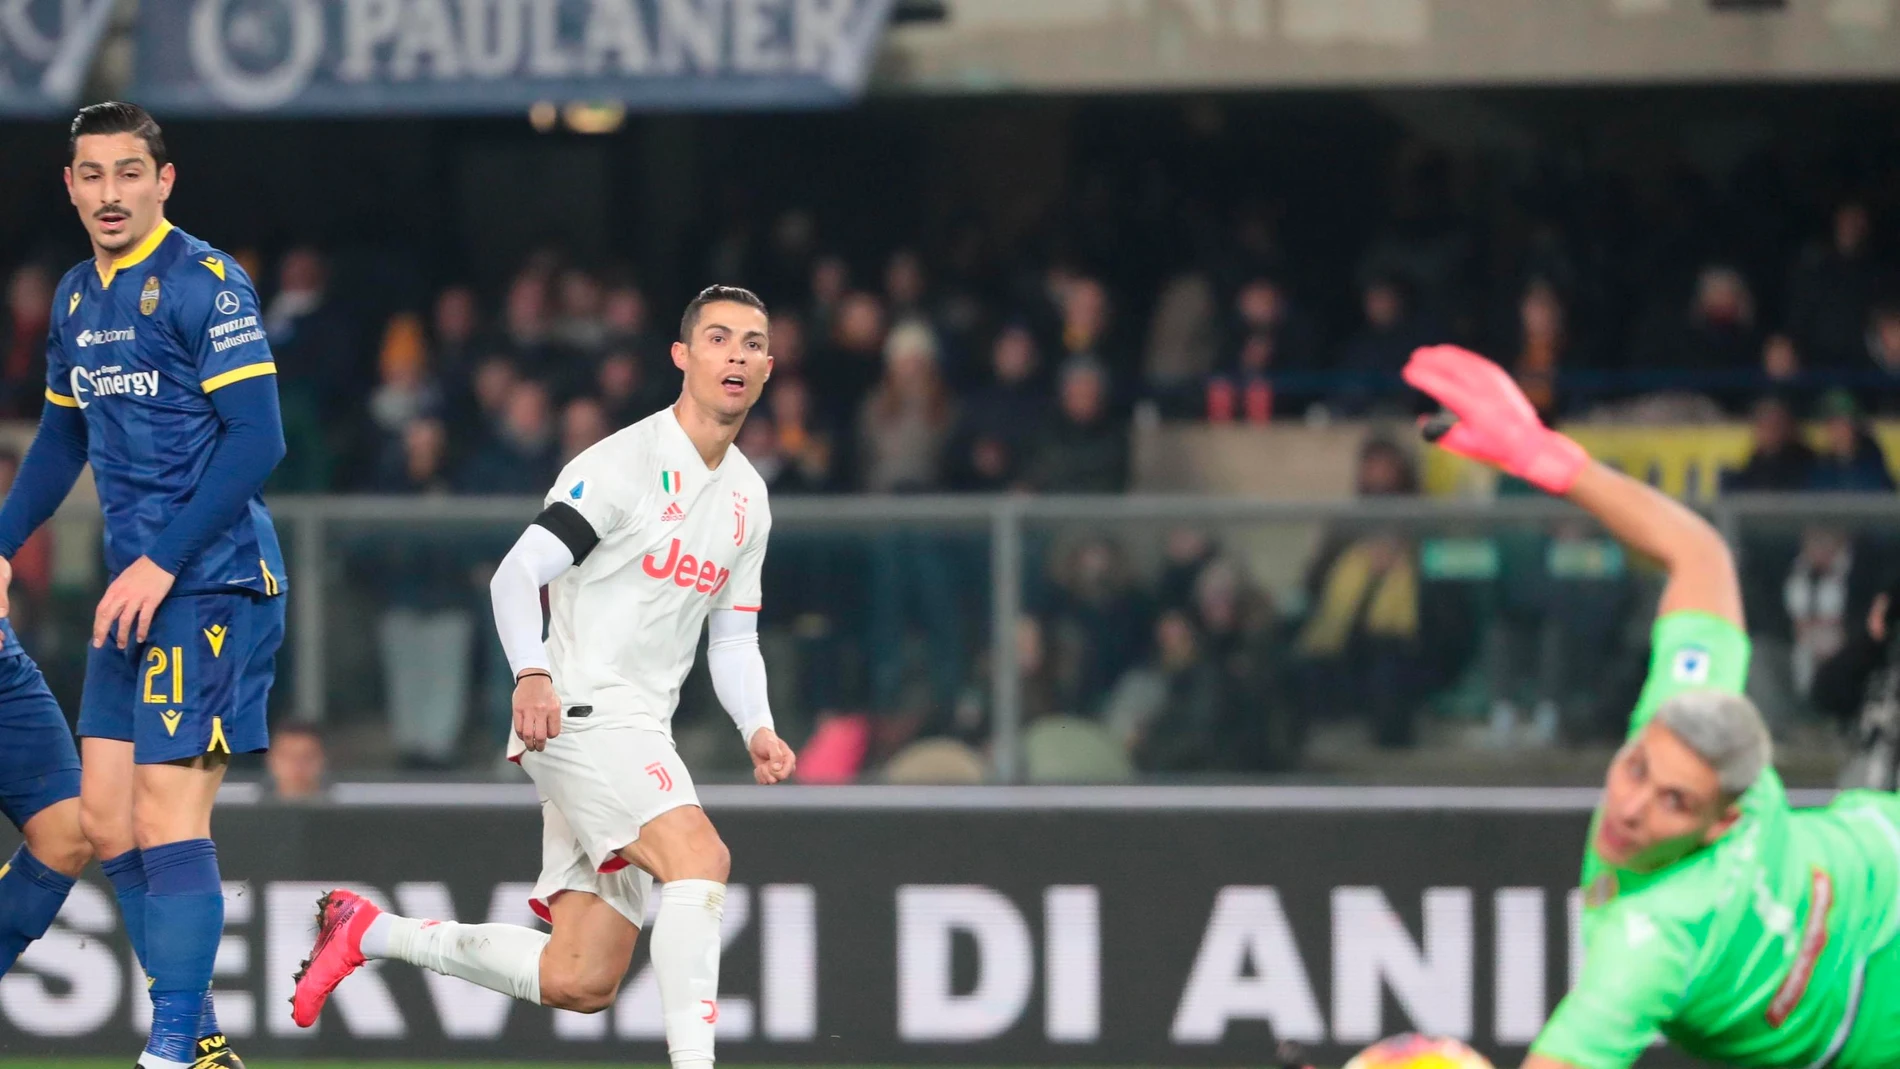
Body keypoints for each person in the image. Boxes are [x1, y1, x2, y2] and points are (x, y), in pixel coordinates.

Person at [291, 286, 798, 1069]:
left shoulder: (747, 499)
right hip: (578, 712)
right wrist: (532, 672)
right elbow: (515, 572)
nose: (736, 353)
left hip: (634, 731)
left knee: (581, 976)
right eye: (719, 338)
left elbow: (734, 639)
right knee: (701, 858)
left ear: (768, 366)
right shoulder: (623, 463)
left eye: (752, 343)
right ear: (682, 355)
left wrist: (757, 726)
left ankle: (369, 930)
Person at [1404, 343, 1900, 1069]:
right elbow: (1699, 552)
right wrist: (1549, 458)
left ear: (1720, 820)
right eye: (1637, 769)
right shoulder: (1685, 722)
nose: (1632, 806)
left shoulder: (1654, 937)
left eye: (1673, 801)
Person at [0, 102, 287, 1069]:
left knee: (168, 817)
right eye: (93, 174)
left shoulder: (208, 282)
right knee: (101, 819)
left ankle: (173, 1048)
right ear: (71, 185)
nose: (111, 192)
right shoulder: (80, 297)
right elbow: (61, 437)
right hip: (134, 597)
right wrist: (0, 544)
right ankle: (196, 1036)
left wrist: (163, 560)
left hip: (208, 584)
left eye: (130, 173)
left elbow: (259, 438)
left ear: (163, 182)